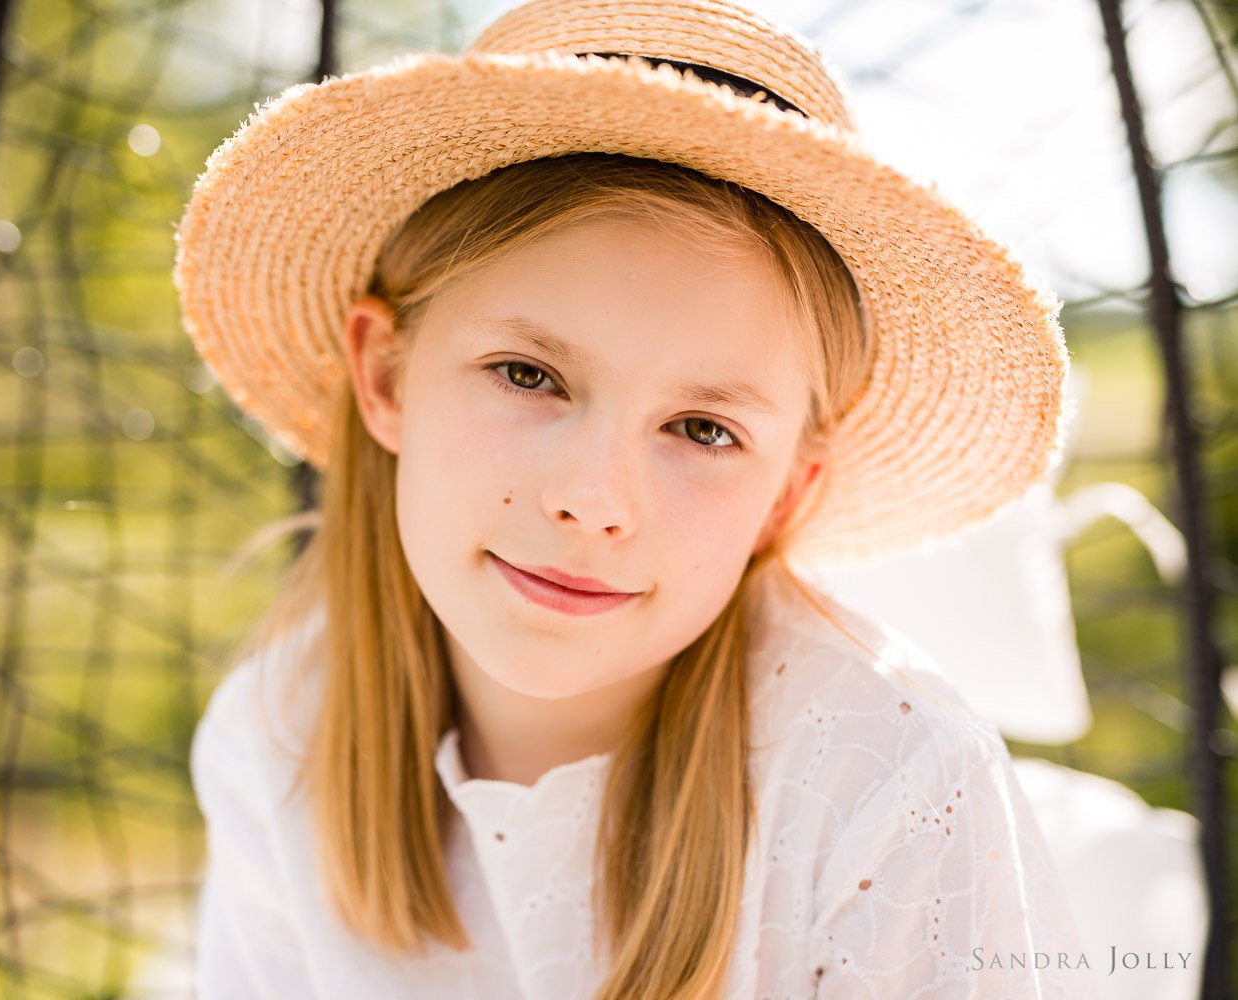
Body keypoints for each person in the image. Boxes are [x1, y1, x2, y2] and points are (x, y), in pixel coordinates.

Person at [172, 0, 1095, 996]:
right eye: (528, 375)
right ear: (387, 376)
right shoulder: (278, 736)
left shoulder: (892, 790)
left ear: (787, 495)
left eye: (704, 429)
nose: (593, 501)